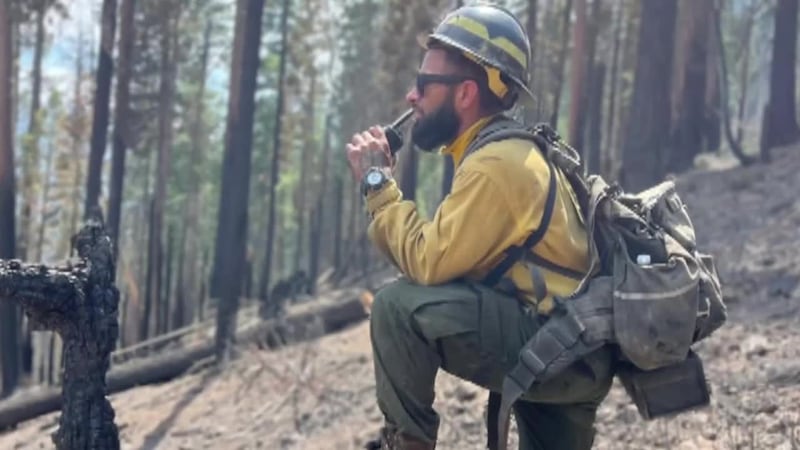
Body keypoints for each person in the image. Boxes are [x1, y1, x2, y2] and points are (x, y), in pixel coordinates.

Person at [345, 3, 613, 450]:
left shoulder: (495, 165)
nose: (411, 98)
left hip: (556, 349)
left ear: (466, 93)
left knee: (396, 306)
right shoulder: (515, 153)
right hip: (576, 351)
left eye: (423, 85)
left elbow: (427, 261)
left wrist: (378, 186)